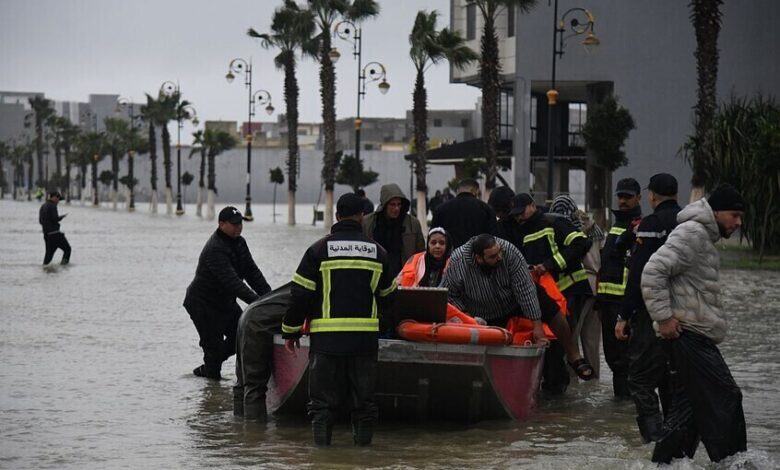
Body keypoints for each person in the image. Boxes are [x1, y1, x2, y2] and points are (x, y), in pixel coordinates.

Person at [641, 183, 747, 463]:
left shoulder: (701, 236)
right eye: (735, 215)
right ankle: (735, 464)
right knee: (726, 397)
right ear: (717, 212)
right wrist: (664, 318)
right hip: (689, 336)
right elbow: (653, 271)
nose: (738, 222)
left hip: (692, 335)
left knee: (689, 411)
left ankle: (667, 464)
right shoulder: (692, 233)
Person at [282, 193, 397, 447]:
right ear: (361, 217)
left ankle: (322, 456)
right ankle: (363, 455)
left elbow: (300, 295)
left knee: (322, 405)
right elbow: (390, 296)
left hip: (327, 343)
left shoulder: (318, 250)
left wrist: (290, 331)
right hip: (364, 343)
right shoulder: (378, 252)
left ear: (336, 216)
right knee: (364, 405)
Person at [443, 234, 593, 384]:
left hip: (514, 298)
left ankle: (573, 355)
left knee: (552, 310)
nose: (499, 257)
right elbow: (450, 295)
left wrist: (537, 326)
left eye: (499, 252)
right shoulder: (458, 262)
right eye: (493, 256)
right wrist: (467, 317)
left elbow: (526, 290)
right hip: (481, 310)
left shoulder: (509, 251)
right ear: (479, 259)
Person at [616, 173, 681, 443]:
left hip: (651, 311)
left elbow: (640, 273)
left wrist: (624, 314)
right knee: (670, 378)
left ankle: (654, 440)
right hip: (683, 311)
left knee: (640, 379)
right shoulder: (687, 223)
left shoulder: (652, 224)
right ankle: (676, 436)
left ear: (652, 196)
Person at [183, 206, 272, 380]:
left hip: (225, 303)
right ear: (221, 224)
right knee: (212, 346)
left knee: (243, 335)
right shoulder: (215, 249)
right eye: (234, 224)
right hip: (203, 304)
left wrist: (269, 298)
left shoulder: (240, 242)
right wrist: (257, 303)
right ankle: (212, 388)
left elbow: (252, 273)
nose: (238, 227)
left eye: (240, 223)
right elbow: (233, 283)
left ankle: (209, 367)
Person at [597, 178, 642, 397]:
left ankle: (628, 404)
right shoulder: (617, 225)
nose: (622, 201)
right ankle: (620, 405)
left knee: (625, 359)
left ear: (639, 198)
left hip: (624, 303)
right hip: (607, 301)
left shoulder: (639, 226)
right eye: (620, 196)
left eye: (628, 197)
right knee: (614, 358)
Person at [362, 183, 425, 279]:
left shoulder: (412, 223)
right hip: (375, 275)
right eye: (392, 205)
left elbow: (421, 254)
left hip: (404, 276)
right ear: (385, 205)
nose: (396, 208)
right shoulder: (368, 222)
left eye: (399, 204)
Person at [431, 178, 498, 249]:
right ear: (475, 191)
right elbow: (494, 237)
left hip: (450, 253)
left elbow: (433, 235)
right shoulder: (486, 209)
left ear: (458, 190)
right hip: (478, 253)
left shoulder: (441, 209)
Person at [39, 190, 71, 265]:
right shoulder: (53, 206)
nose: (58, 201)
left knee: (48, 255)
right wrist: (61, 217)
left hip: (47, 234)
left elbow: (40, 221)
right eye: (58, 199)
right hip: (55, 234)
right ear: (53, 197)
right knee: (67, 249)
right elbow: (55, 218)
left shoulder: (43, 206)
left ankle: (45, 269)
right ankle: (64, 266)